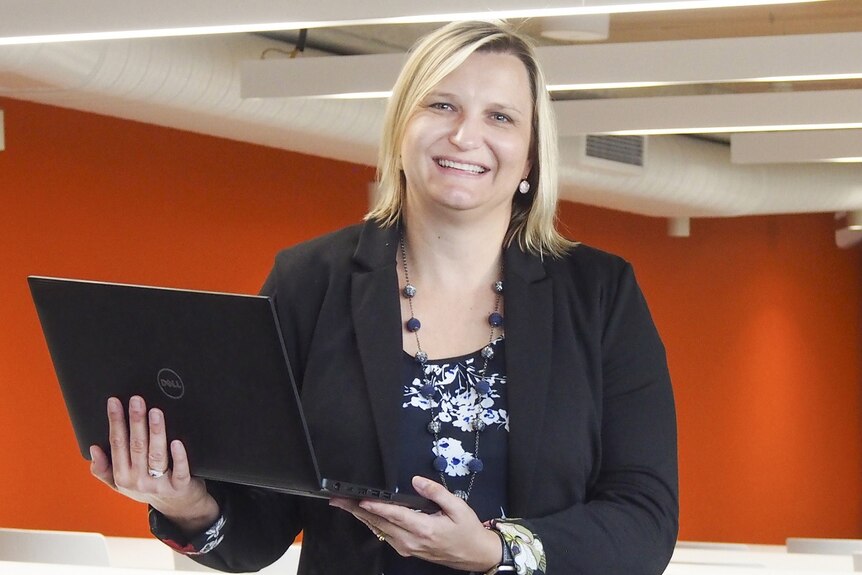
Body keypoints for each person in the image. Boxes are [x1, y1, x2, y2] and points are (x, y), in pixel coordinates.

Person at [89, 20, 678, 575]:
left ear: (529, 157)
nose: (465, 135)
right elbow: (260, 528)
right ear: (401, 127)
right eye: (442, 105)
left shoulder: (601, 295)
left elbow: (644, 520)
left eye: (500, 117)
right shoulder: (309, 283)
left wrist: (497, 551)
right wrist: (187, 503)